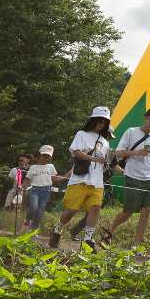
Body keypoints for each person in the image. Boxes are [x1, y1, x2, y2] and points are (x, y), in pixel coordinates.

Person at [49, 106, 112, 251]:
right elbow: (75, 152)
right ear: (93, 120)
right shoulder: (81, 134)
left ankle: (89, 238)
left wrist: (107, 163)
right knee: (72, 209)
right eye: (99, 121)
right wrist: (93, 158)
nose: (101, 124)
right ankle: (58, 229)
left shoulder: (106, 142)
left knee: (95, 208)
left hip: (97, 181)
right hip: (80, 178)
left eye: (105, 122)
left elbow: (104, 160)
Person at [102, 107, 150, 247]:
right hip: (133, 176)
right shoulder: (131, 132)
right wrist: (136, 153)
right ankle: (109, 232)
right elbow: (118, 153)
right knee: (128, 211)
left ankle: (136, 245)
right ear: (146, 117)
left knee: (146, 211)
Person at [23, 145, 64, 229]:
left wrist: (67, 175)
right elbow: (27, 180)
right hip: (35, 190)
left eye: (48, 156)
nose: (46, 158)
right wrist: (22, 188)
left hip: (46, 191)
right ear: (39, 155)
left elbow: (55, 179)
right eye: (44, 155)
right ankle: (27, 219)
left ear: (50, 157)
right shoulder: (33, 167)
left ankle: (33, 230)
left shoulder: (51, 167)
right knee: (34, 207)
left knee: (40, 212)